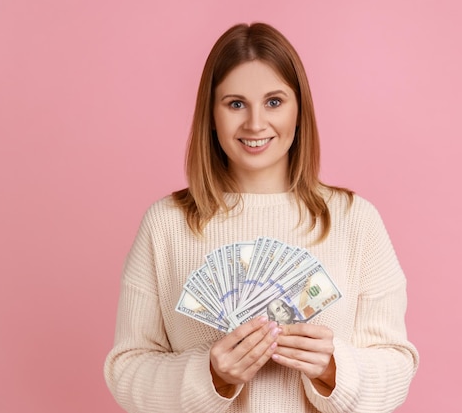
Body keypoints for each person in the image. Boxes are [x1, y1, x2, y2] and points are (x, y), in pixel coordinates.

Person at [104, 22, 418, 413]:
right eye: (236, 103)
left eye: (274, 102)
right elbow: (126, 370)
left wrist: (333, 368)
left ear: (299, 109)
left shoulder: (356, 221)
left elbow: (397, 367)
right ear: (211, 115)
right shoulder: (165, 225)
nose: (255, 124)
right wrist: (212, 374)